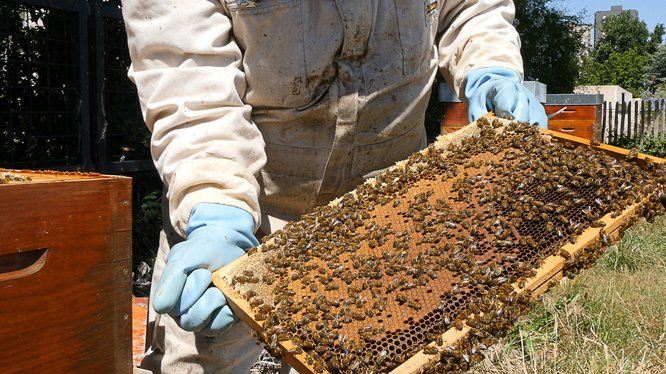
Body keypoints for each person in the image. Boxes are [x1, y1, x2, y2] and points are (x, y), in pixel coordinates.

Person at [122, 0, 548, 372]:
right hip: (248, 213)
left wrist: (489, 64)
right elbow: (188, 77)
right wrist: (215, 206)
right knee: (199, 360)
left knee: (393, 351)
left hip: (390, 210)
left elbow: (468, 9)